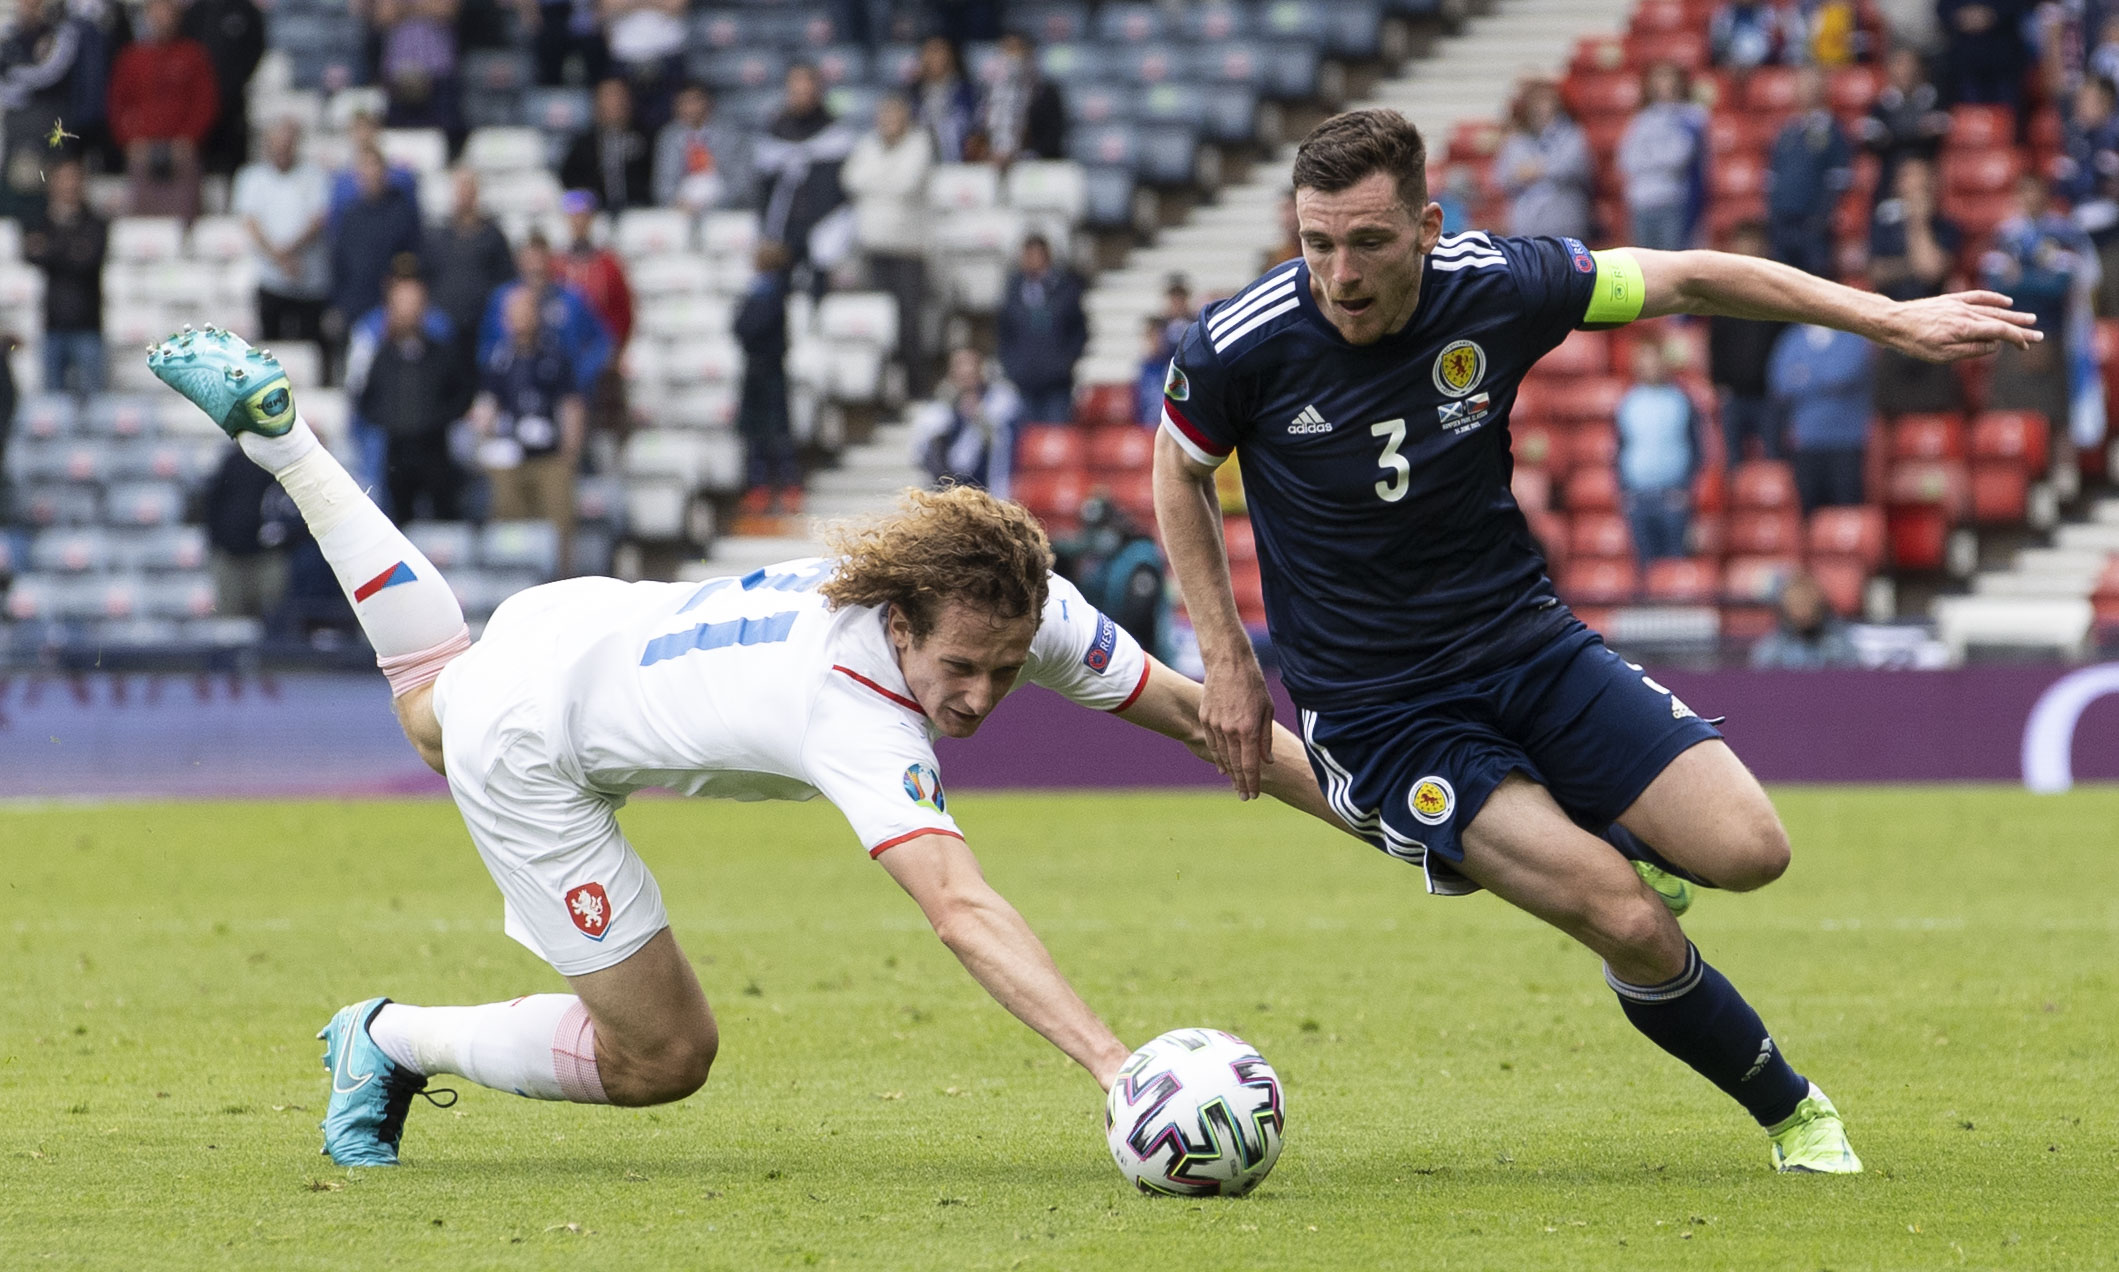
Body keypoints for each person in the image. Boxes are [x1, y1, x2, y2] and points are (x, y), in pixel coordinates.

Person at [147, 326, 1340, 1167]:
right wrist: (1112, 1065)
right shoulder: (852, 705)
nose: (977, 698)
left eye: (1002, 665)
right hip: (532, 740)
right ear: (899, 623)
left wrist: (1384, 816)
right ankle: (387, 1037)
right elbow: (961, 908)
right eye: (956, 670)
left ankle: (290, 444)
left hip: (578, 617)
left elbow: (1205, 719)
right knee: (664, 1054)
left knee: (423, 707)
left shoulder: (1015, 596)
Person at [1152, 108, 2037, 1175]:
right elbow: (1177, 467)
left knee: (1750, 852)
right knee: (1626, 917)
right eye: (1316, 242)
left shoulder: (1503, 283)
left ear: (1428, 226)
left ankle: (1557, 828)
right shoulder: (1238, 344)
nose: (1340, 273)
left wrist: (1886, 319)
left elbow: (1694, 277)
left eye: (1369, 242)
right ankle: (1792, 1112)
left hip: (1523, 644)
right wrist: (1230, 661)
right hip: (1385, 711)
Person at [473, 285, 583, 568]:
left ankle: (562, 579)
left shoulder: (555, 356)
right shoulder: (499, 359)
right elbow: (487, 405)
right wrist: (484, 439)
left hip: (549, 457)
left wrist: (570, 453)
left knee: (559, 525)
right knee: (508, 522)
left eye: (526, 311)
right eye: (514, 314)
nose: (520, 319)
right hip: (511, 457)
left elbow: (570, 405)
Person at [355, 267, 476, 522]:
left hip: (436, 448)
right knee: (398, 522)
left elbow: (463, 392)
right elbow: (365, 398)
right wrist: (392, 420)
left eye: (413, 304)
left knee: (445, 519)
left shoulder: (442, 353)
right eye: (401, 305)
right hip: (397, 451)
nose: (408, 312)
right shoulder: (382, 356)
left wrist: (437, 418)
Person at [1981, 173, 2095, 437]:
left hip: (2052, 334)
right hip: (2011, 336)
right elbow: (1997, 286)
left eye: (2036, 193)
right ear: (2017, 197)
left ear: (2046, 196)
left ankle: (2060, 473)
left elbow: (2060, 286)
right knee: (2010, 413)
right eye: (2024, 193)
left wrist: (2019, 278)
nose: (2030, 200)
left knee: (2056, 416)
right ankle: (2017, 474)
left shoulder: (2063, 233)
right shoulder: (2004, 235)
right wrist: (2038, 277)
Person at [840, 93, 934, 395]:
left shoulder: (920, 145)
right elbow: (850, 180)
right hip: (871, 250)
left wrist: (874, 182)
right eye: (884, 117)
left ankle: (916, 390)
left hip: (908, 250)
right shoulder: (867, 145)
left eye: (895, 117)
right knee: (877, 328)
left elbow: (906, 184)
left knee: (908, 324)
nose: (888, 123)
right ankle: (882, 396)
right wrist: (884, 180)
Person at [1867, 158, 1965, 412]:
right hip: (1893, 329)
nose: (1916, 191)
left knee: (1936, 416)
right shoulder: (1883, 226)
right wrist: (1912, 266)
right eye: (1911, 182)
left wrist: (1917, 224)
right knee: (1890, 416)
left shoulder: (1946, 227)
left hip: (1935, 330)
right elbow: (1877, 272)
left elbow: (1931, 272)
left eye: (1923, 184)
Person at [106, 0, 216, 218]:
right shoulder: (132, 57)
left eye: (167, 13)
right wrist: (130, 140)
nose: (161, 19)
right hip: (143, 150)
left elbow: (205, 103)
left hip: (181, 152)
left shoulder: (193, 55)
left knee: (184, 216)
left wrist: (189, 139)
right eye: (156, 13)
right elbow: (117, 105)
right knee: (143, 219)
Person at [757, 63, 855, 293]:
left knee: (824, 300)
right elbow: (764, 188)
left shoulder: (835, 132)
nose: (802, 95)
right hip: (783, 232)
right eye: (795, 89)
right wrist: (767, 232)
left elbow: (842, 189)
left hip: (826, 230)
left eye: (807, 88)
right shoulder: (774, 132)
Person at [328, 143, 425, 378]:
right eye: (365, 169)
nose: (370, 175)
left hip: (391, 310)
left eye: (375, 168)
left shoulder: (401, 211)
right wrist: (337, 304)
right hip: (355, 307)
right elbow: (339, 263)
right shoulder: (350, 215)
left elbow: (413, 257)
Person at [233, 118, 332, 347]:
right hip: (270, 279)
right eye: (276, 145)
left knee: (311, 346)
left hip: (309, 280)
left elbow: (318, 220)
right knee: (270, 348)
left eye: (287, 145)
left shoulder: (315, 175)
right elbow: (251, 224)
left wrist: (289, 253)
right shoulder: (251, 177)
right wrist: (280, 258)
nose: (282, 151)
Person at [477, 233, 611, 399]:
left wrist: (579, 376)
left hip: (563, 392)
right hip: (513, 395)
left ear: (549, 260)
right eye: (529, 260)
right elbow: (485, 348)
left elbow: (601, 342)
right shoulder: (503, 299)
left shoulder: (571, 300)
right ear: (519, 262)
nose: (535, 267)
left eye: (540, 259)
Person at [1768, 323, 1874, 513]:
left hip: (1846, 442)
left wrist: (1804, 375)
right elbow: (1781, 383)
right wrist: (1824, 380)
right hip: (1806, 443)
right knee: (1809, 514)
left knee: (1846, 510)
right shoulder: (1792, 338)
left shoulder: (1851, 336)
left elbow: (1843, 374)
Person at [22, 158, 106, 396]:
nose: (69, 186)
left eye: (74, 179)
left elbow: (87, 260)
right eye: (63, 179)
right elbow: (31, 253)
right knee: (52, 407)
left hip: (88, 324)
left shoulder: (95, 222)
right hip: (53, 325)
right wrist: (69, 248)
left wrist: (50, 249)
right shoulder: (41, 220)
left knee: (95, 401)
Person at [1614, 338, 1702, 563]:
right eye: (1644, 360)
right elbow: (1619, 449)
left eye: (1654, 360)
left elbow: (1698, 449)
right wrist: (1624, 492)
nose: (1650, 366)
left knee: (1675, 566)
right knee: (1644, 568)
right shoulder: (1628, 402)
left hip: (1673, 497)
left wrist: (1685, 490)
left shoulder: (1681, 400)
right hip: (1638, 497)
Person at [555, 189, 633, 439]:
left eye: (583, 216)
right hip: (564, 358)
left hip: (601, 359)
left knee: (603, 427)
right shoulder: (557, 264)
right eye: (573, 217)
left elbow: (624, 312)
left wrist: (616, 351)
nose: (578, 222)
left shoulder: (608, 264)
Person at [1707, 220, 1786, 463]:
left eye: (1754, 241)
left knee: (1774, 458)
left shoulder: (1777, 288)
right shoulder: (1723, 291)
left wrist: (1780, 382)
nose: (1749, 247)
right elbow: (1716, 341)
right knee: (1732, 463)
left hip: (1768, 395)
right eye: (1744, 241)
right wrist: (1718, 381)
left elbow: (1784, 340)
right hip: (1734, 395)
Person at [1764, 67, 1853, 279]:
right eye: (1801, 84)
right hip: (1782, 223)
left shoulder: (1833, 130)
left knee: (1816, 281)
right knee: (1782, 284)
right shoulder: (1787, 130)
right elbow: (1772, 176)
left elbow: (1840, 180)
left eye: (1811, 84)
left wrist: (1822, 217)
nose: (1806, 90)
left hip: (1813, 225)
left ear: (1823, 89)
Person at [734, 240, 800, 515]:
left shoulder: (771, 293)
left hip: (769, 370)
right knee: (756, 433)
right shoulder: (762, 292)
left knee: (776, 431)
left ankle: (788, 487)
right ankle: (760, 488)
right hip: (757, 370)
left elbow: (746, 327)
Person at [995, 234, 1087, 424]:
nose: (1030, 260)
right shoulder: (1013, 291)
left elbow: (1079, 330)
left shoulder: (1065, 289)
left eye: (1034, 255)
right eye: (1027, 255)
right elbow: (1004, 333)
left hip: (1057, 384)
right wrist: (1012, 366)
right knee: (1027, 442)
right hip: (1024, 383)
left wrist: (1066, 361)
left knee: (1055, 441)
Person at [1616, 62, 1706, 253]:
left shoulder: (1691, 116)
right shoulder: (1641, 118)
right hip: (1641, 203)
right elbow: (1626, 160)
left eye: (1668, 78)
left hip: (1673, 202)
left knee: (1672, 261)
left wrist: (1648, 155)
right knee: (1644, 266)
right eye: (1659, 78)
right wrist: (1658, 157)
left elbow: (1678, 157)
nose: (1664, 84)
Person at [200, 444, 299, 618]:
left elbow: (290, 507)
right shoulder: (232, 461)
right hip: (231, 558)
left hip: (268, 557)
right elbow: (212, 503)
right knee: (231, 623)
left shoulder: (278, 463)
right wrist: (218, 542)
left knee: (272, 618)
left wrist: (283, 537)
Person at [420, 168, 518, 344]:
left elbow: (506, 282)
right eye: (459, 188)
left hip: (482, 328)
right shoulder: (436, 236)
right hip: (444, 328)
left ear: (476, 191)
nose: (464, 193)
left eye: (468, 187)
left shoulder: (493, 236)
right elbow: (426, 278)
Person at [1493, 78, 1592, 241]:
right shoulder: (1516, 141)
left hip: (1564, 221)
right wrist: (1526, 173)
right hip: (1526, 225)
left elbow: (1575, 167)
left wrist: (1539, 170)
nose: (1542, 108)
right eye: (1537, 102)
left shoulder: (1572, 135)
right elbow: (1504, 177)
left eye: (1548, 101)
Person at [2052, 75, 2119, 314]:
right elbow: (2064, 188)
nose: (2079, 105)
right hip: (2079, 232)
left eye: (2088, 99)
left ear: (2106, 102)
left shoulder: (2114, 136)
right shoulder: (2074, 138)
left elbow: (2109, 188)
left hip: (2112, 236)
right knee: (2081, 310)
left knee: (2113, 300)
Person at [914, 345, 1021, 493]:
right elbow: (921, 453)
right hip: (951, 486)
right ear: (951, 373)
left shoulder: (999, 400)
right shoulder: (939, 409)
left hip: (988, 485)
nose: (967, 371)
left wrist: (980, 418)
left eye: (971, 366)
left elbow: (1006, 441)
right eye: (960, 366)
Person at [177, 0, 265, 179]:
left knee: (234, 167)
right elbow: (185, 53)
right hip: (198, 107)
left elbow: (256, 48)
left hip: (232, 103)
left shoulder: (245, 10)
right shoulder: (195, 12)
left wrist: (235, 80)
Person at [1859, 47, 1951, 209]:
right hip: (1889, 185)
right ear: (1890, 69)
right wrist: (1917, 132)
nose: (1905, 71)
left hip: (1926, 185)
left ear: (1920, 69)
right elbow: (1873, 141)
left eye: (1910, 65)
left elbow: (1939, 134)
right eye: (1900, 65)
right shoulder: (1879, 107)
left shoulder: (1935, 102)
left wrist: (1893, 135)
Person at [651, 81, 753, 215]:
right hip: (680, 210)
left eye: (695, 101)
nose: (690, 108)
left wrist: (712, 205)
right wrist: (677, 202)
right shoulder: (668, 137)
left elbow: (742, 183)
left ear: (708, 102)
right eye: (684, 103)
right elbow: (662, 183)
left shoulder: (733, 135)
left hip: (724, 210)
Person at [365, 0, 463, 137]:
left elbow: (446, 9)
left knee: (441, 135)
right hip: (398, 72)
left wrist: (405, 7)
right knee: (397, 136)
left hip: (437, 72)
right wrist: (424, 6)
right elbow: (383, 16)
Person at [559, 77, 652, 215]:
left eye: (619, 96)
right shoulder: (583, 143)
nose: (615, 103)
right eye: (608, 97)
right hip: (596, 214)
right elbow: (571, 182)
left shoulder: (647, 139)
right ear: (597, 103)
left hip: (641, 213)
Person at [979, 31, 1065, 164]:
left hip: (1034, 166)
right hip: (992, 164)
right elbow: (979, 130)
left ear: (1028, 52)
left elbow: (1052, 136)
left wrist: (1025, 156)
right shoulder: (988, 92)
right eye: (1006, 49)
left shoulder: (1044, 92)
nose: (1010, 56)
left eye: (1016, 49)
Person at [601, 0, 685, 132]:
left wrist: (630, 5)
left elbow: (676, 6)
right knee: (622, 120)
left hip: (667, 55)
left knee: (668, 120)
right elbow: (608, 7)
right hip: (624, 57)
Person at [1750, 569, 1861, 667]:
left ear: (1819, 605)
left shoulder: (1839, 645)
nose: (1803, 611)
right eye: (1798, 604)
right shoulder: (1770, 650)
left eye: (1808, 603)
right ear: (1786, 607)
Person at [909, 35, 979, 163]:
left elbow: (975, 127)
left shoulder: (968, 92)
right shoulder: (912, 94)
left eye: (938, 51)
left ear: (952, 55)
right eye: (928, 51)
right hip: (922, 163)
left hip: (961, 161)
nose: (933, 58)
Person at [520, 0, 606, 88]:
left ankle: (595, 90)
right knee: (549, 43)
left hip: (587, 20)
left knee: (594, 48)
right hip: (552, 15)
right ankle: (550, 90)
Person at [1710, 0, 1797, 70]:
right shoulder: (1725, 13)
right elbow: (1718, 44)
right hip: (1732, 66)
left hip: (1763, 66)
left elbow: (1773, 43)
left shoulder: (1767, 11)